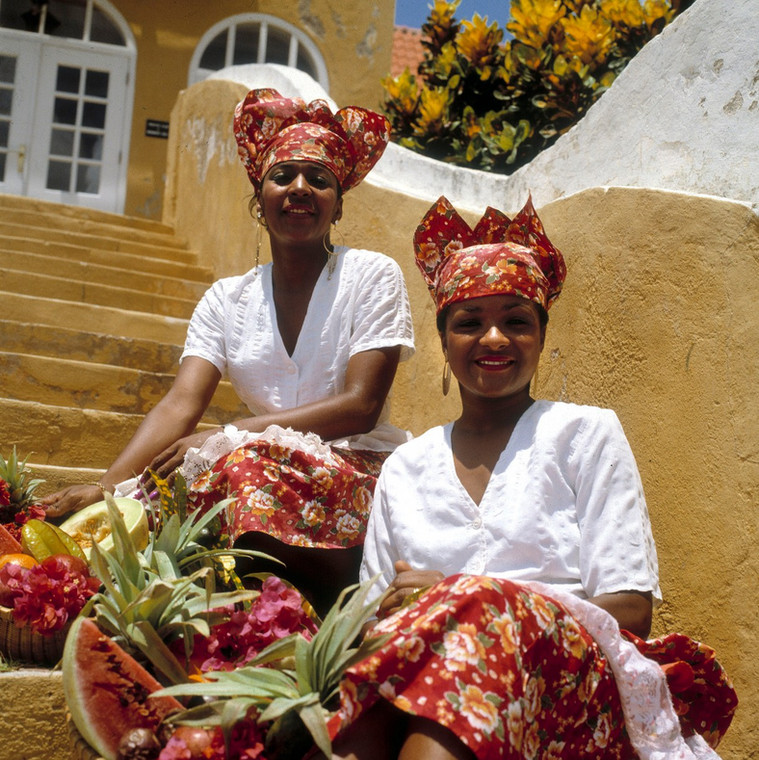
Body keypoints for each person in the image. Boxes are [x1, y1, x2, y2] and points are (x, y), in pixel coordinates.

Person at [324, 197, 736, 759]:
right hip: (429, 683)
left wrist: (463, 595)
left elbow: (632, 609)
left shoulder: (585, 434)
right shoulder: (405, 467)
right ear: (444, 342)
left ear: (541, 336)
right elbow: (373, 617)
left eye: (516, 321)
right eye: (469, 323)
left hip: (569, 683)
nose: (493, 339)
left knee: (475, 624)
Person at [42, 88, 415, 614]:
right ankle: (263, 602)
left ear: (337, 201)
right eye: (283, 176)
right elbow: (180, 405)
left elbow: (360, 405)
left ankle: (323, 594)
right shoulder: (226, 299)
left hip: (357, 473)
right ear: (258, 197)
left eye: (319, 179)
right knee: (169, 486)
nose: (300, 189)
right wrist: (109, 492)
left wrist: (231, 434)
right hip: (260, 468)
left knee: (233, 466)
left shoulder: (371, 276)